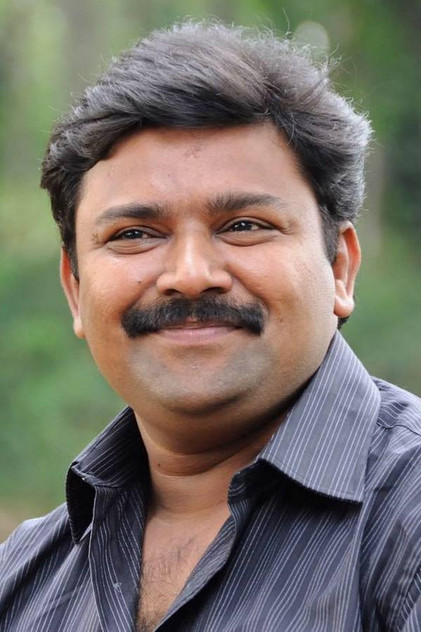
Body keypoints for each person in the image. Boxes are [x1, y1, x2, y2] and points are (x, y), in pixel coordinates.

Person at [1, 21, 420, 632]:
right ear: (76, 290)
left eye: (244, 225)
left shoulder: (406, 518)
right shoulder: (22, 579)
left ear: (338, 268)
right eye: (134, 234)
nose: (191, 276)